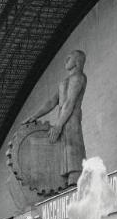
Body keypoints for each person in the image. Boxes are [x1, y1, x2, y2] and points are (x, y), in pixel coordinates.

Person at [23, 50, 87, 188]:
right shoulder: (65, 81)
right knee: (63, 148)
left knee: (72, 147)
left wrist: (58, 125)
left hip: (71, 119)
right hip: (62, 119)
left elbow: (70, 103)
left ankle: (75, 177)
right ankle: (67, 181)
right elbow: (52, 102)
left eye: (69, 58)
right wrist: (35, 116)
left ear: (77, 61)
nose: (65, 60)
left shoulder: (78, 78)